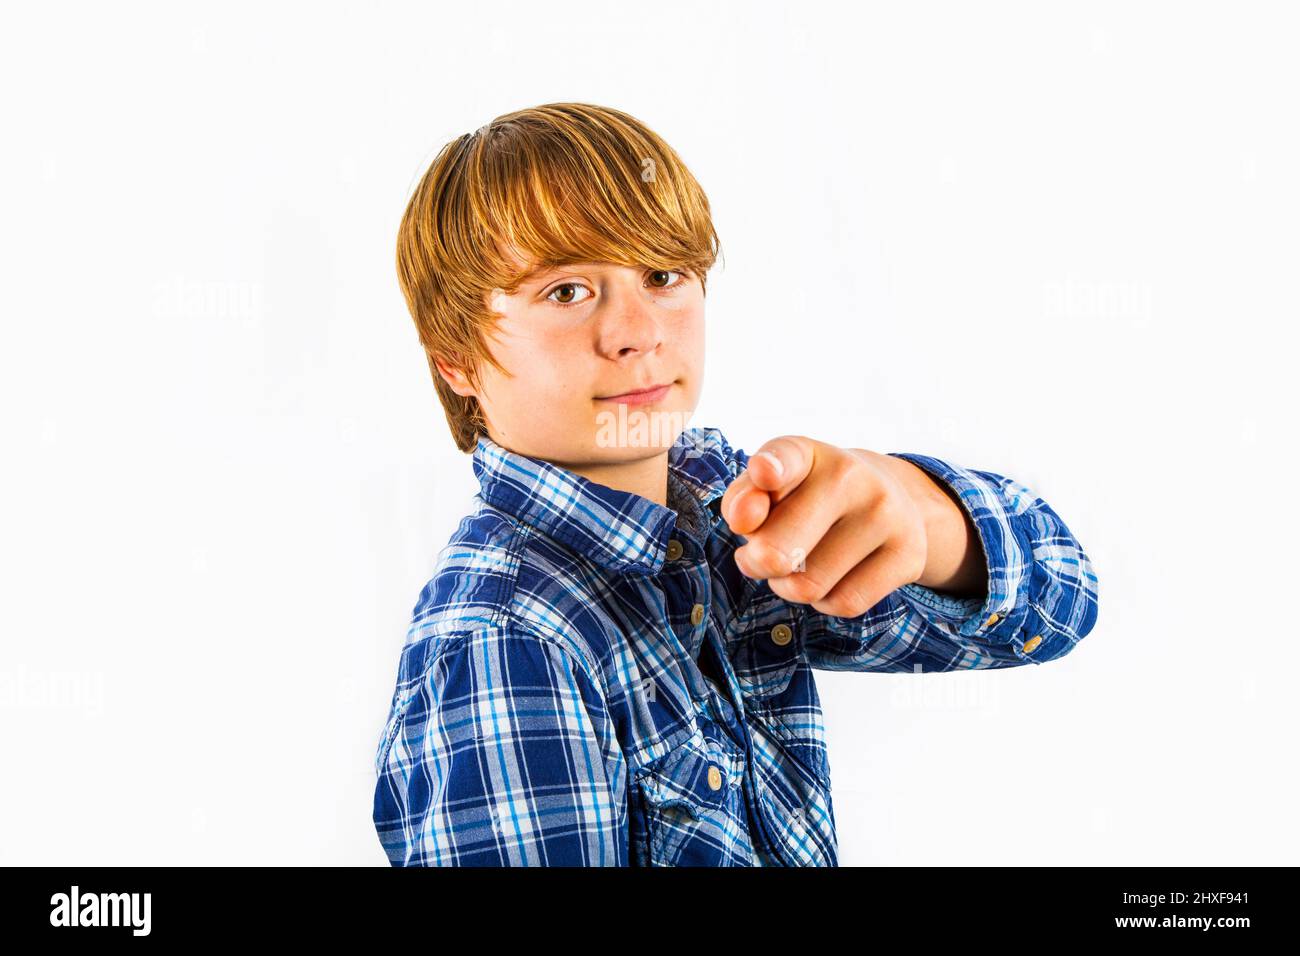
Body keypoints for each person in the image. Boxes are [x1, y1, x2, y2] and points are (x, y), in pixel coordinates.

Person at [371, 102, 1099, 866]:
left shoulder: (731, 521)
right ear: (456, 358)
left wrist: (921, 517)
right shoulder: (508, 642)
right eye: (566, 291)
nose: (638, 331)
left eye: (664, 275)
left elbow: (1060, 607)